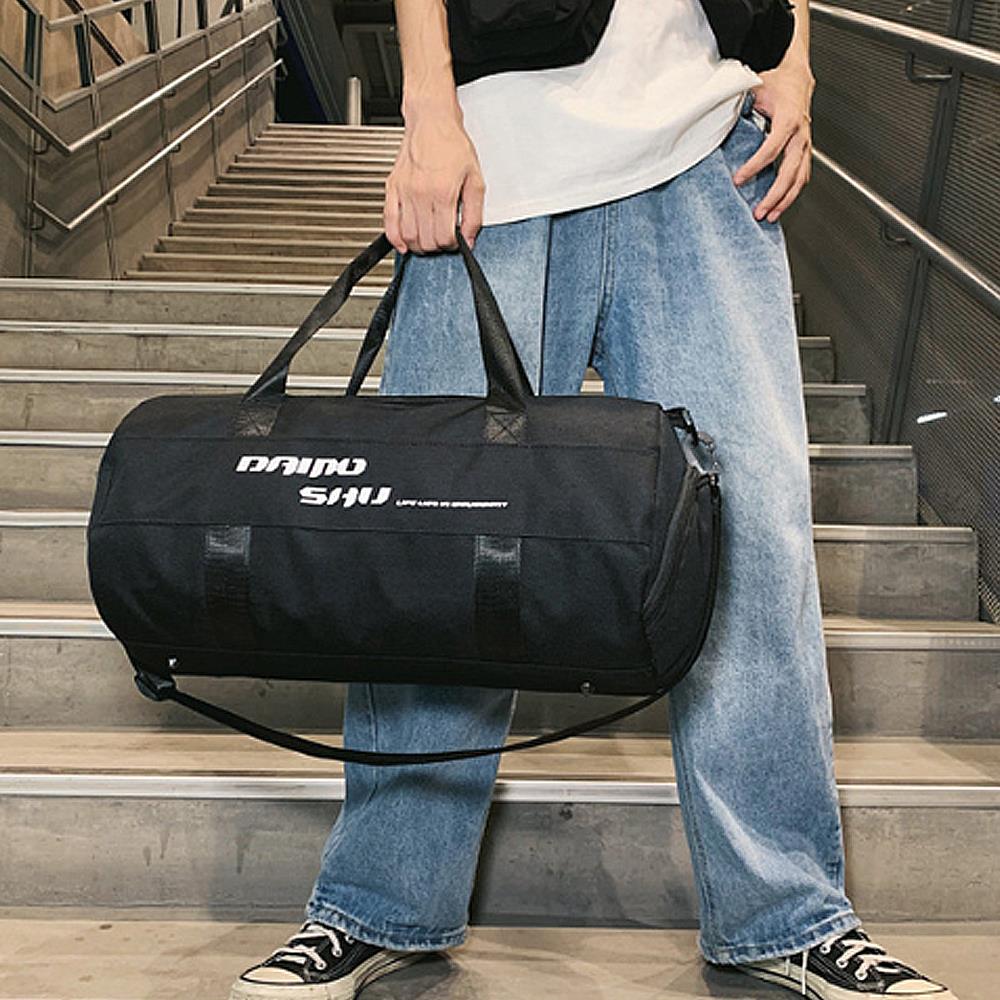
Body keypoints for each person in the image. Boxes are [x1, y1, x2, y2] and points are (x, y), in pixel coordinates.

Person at [229, 1, 959, 998]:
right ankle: (378, 901)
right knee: (438, 544)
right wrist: (429, 114)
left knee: (750, 544)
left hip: (707, 159)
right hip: (501, 159)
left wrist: (796, 61)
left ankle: (785, 913)